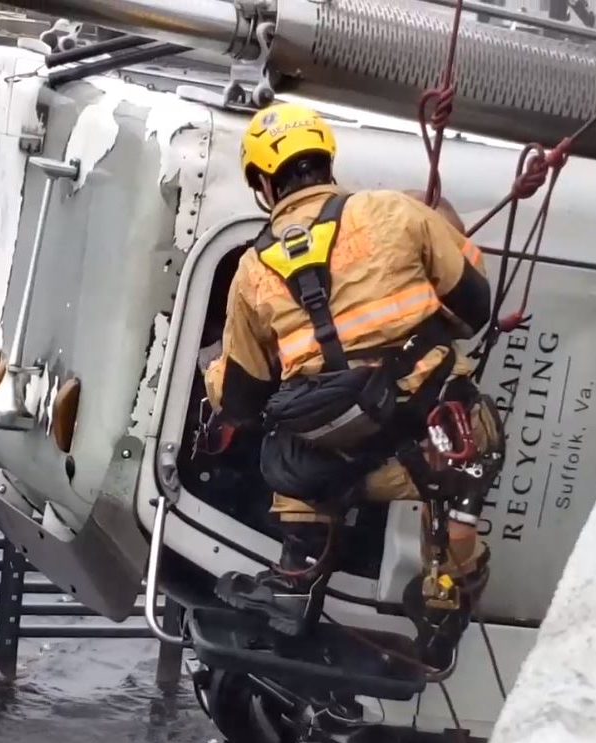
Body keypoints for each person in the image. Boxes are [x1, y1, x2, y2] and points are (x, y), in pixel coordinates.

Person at [200, 102, 504, 654]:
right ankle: (449, 592)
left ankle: (298, 575)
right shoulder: (397, 212)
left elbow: (244, 398)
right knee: (476, 441)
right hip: (435, 459)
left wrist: (215, 380)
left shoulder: (252, 270)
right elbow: (475, 306)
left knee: (279, 444)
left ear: (264, 183)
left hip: (338, 468)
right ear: (326, 160)